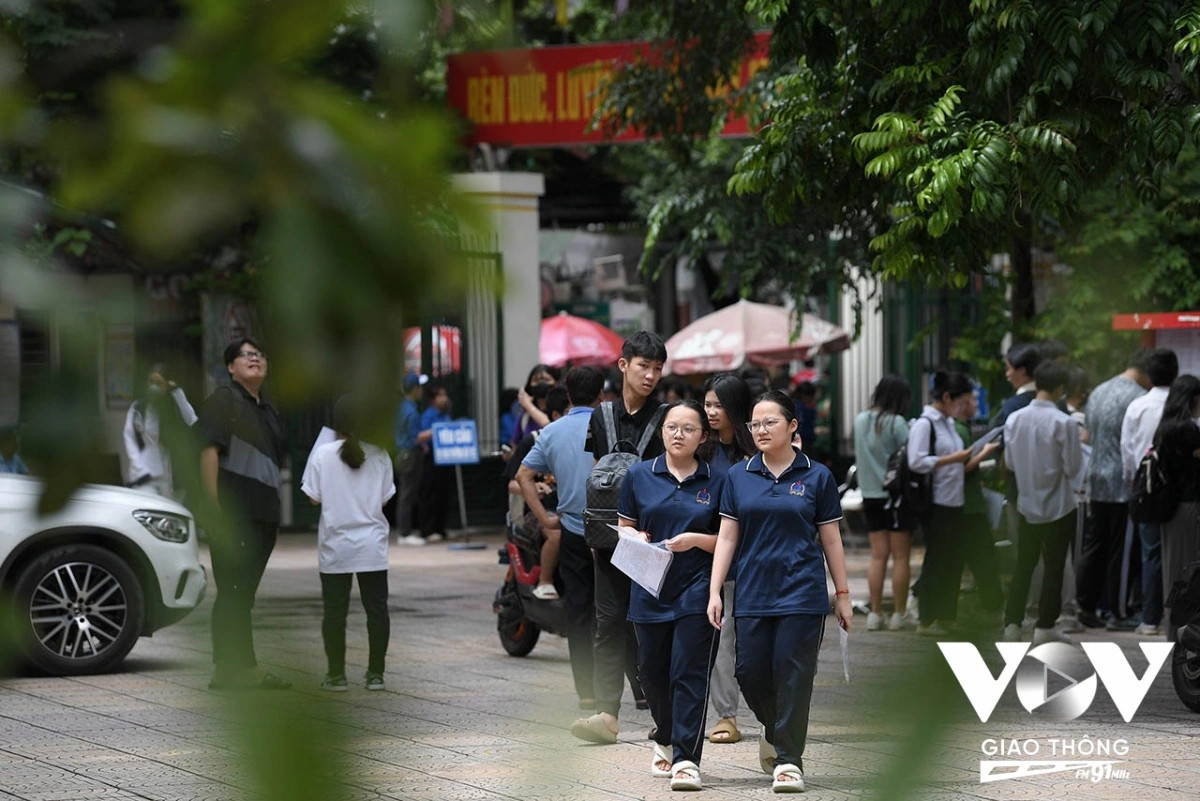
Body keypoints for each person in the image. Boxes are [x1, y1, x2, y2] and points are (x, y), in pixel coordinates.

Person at [707, 389, 851, 793]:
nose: (761, 430)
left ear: (792, 426)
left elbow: (832, 541)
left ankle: (789, 761)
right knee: (749, 673)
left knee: (793, 675)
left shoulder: (817, 476)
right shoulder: (739, 475)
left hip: (802, 595)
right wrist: (715, 590)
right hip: (752, 593)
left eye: (771, 422)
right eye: (755, 424)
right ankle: (776, 728)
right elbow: (727, 538)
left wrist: (842, 594)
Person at [618, 400, 724, 791]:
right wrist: (637, 537)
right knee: (653, 675)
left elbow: (729, 541)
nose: (678, 434)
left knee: (689, 673)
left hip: (697, 588)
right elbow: (624, 526)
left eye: (688, 428)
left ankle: (685, 758)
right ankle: (664, 733)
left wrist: (694, 540)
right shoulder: (639, 475)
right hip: (648, 588)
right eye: (671, 427)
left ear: (703, 436)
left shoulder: (718, 481)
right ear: (662, 431)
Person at [573, 330, 667, 744]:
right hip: (609, 537)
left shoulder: (666, 417)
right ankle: (607, 714)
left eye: (658, 369)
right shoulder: (601, 416)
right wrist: (595, 529)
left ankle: (664, 715)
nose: (650, 375)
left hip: (650, 539)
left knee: (651, 625)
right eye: (644, 366)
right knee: (608, 622)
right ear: (624, 364)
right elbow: (599, 474)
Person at [198, 338, 290, 691]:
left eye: (260, 355)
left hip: (263, 515)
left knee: (239, 593)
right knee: (234, 590)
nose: (255, 360)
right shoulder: (224, 400)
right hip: (234, 513)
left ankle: (225, 669)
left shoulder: (267, 409)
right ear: (231, 367)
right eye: (246, 355)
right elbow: (207, 447)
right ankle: (245, 669)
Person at [517, 367, 604, 711]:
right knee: (617, 611)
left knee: (579, 613)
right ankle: (639, 691)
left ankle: (587, 692)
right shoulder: (608, 426)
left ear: (567, 395)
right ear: (601, 395)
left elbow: (524, 476)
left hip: (571, 530)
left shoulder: (551, 432)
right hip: (613, 530)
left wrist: (544, 518)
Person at [301, 396, 395, 691]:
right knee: (377, 610)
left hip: (335, 547)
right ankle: (376, 674)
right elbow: (384, 497)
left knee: (334, 612)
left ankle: (336, 675)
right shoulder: (380, 454)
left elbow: (313, 497)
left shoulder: (323, 454)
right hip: (372, 546)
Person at [907, 371, 996, 637]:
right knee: (937, 561)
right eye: (961, 401)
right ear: (946, 397)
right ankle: (927, 619)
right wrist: (953, 459)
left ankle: (946, 616)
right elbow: (917, 461)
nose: (963, 407)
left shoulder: (947, 422)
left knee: (953, 561)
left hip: (956, 500)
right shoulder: (926, 423)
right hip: (936, 501)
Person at [1002, 362, 1084, 645]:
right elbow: (1073, 468)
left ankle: (1012, 623)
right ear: (1061, 389)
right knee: (1054, 565)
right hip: (1059, 505)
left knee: (1024, 564)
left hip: (1026, 503)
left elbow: (1010, 463)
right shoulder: (1065, 423)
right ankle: (1045, 626)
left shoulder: (1014, 419)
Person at [1077, 350, 1151, 628]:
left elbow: (1087, 435)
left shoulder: (1098, 391)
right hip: (1122, 480)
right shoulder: (1137, 397)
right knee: (1122, 549)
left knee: (1095, 545)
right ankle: (1118, 612)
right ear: (1145, 372)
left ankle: (1086, 605)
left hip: (1096, 477)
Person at [701, 373, 755, 745]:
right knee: (721, 640)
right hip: (710, 556)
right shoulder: (700, 449)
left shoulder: (755, 454)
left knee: (749, 644)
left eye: (718, 405)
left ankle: (771, 714)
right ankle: (727, 716)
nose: (710, 412)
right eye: (707, 404)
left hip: (751, 559)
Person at [1120, 347, 1179, 635]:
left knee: (1151, 553)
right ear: (1176, 373)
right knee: (1181, 552)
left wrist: (1131, 480)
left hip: (1146, 487)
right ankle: (1178, 617)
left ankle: (1150, 618)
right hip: (1179, 488)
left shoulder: (1137, 406)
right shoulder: (1183, 406)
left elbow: (1127, 449)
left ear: (1148, 376)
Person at [852, 374, 914, 632]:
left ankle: (875, 613)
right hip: (895, 497)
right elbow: (912, 454)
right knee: (900, 556)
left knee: (878, 555)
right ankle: (899, 614)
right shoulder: (897, 423)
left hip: (869, 495)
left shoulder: (860, 420)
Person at [505, 385, 569, 599]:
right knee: (556, 532)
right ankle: (545, 581)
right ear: (556, 415)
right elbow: (514, 483)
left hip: (570, 508)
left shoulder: (583, 442)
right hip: (537, 511)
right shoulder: (532, 441)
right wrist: (534, 487)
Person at [1153, 375, 1200, 640]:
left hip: (1169, 509)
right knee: (1188, 572)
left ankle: (1173, 629)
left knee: (1173, 568)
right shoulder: (1188, 430)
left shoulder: (1165, 428)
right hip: (1189, 507)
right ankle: (1181, 632)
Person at [953, 386, 1004, 623]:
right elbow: (961, 467)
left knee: (964, 557)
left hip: (966, 504)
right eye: (972, 399)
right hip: (968, 506)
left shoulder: (957, 428)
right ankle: (993, 607)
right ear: (961, 403)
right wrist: (984, 453)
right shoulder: (959, 430)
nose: (976, 403)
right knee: (983, 558)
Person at [122, 364, 198, 497]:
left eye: (158, 383)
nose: (153, 387)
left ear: (166, 385)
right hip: (145, 473)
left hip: (172, 475)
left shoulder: (174, 406)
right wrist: (138, 467)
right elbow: (129, 437)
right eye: (151, 382)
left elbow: (191, 419)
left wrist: (177, 392)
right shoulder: (139, 407)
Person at [393, 373, 429, 546]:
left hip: (403, 454)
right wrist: (436, 431)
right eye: (420, 387)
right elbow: (415, 437)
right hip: (409, 454)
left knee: (406, 493)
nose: (422, 391)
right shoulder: (411, 410)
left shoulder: (403, 407)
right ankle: (405, 533)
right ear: (415, 389)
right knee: (407, 494)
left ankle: (405, 531)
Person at [415, 382, 453, 544]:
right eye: (441, 395)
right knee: (430, 494)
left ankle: (440, 528)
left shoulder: (445, 414)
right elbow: (421, 436)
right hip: (432, 458)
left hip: (446, 458)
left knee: (443, 494)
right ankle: (427, 529)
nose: (444, 399)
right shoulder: (429, 415)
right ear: (433, 399)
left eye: (445, 395)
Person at [993, 343, 1043, 427]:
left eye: (1008, 369)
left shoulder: (1013, 405)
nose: (1007, 374)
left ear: (1022, 371)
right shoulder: (1054, 402)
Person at [511, 364, 560, 447]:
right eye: (536, 380)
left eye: (546, 379)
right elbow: (515, 446)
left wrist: (528, 405)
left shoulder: (562, 411)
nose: (541, 383)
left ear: (556, 383)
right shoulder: (525, 417)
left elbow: (550, 427)